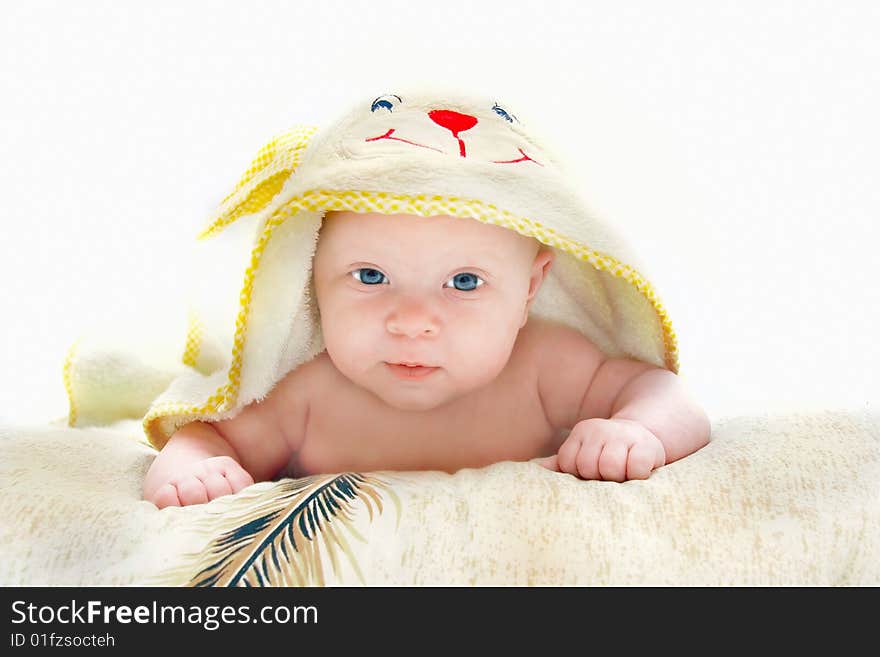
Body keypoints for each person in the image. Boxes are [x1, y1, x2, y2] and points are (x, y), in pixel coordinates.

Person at [142, 208, 711, 508]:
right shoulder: (311, 393)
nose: (412, 320)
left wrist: (635, 431)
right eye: (371, 276)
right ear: (313, 281)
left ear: (529, 290)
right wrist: (194, 470)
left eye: (464, 281)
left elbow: (666, 394)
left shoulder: (542, 363)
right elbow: (208, 439)